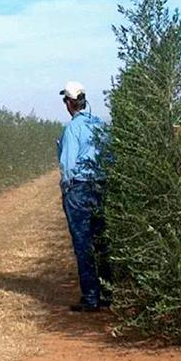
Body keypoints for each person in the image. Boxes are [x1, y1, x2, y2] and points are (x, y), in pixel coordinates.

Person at [57, 81, 111, 312]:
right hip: (100, 186)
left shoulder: (72, 129)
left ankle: (91, 297)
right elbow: (110, 157)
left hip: (79, 189)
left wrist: (66, 189)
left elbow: (68, 165)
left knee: (83, 243)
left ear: (69, 103)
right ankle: (108, 292)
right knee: (101, 241)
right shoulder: (100, 125)